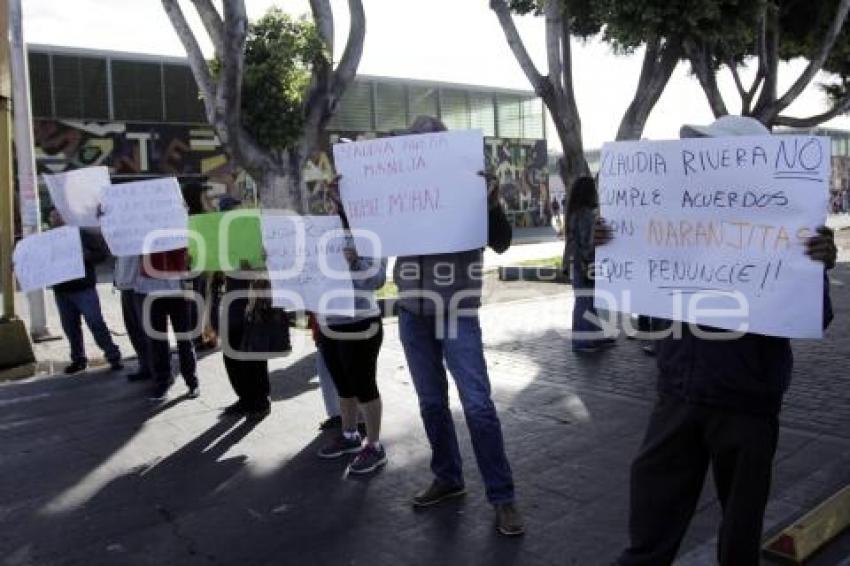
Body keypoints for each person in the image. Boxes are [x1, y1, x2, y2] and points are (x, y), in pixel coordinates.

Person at [612, 115, 837, 565]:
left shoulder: (785, 230)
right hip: (678, 391)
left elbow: (817, 316)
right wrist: (617, 244)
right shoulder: (677, 221)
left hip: (746, 400)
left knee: (740, 528)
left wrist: (815, 267)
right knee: (651, 511)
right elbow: (647, 311)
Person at [393, 116, 524, 536]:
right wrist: (351, 203)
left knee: (479, 407)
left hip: (455, 312)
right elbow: (367, 237)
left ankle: (502, 498)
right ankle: (448, 477)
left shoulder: (473, 184)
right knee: (431, 403)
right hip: (413, 312)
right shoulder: (399, 190)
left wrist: (488, 201)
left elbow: (502, 241)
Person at [315, 181, 388, 475]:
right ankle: (349, 436)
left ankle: (374, 445)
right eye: (331, 199)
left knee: (363, 386)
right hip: (329, 323)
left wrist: (355, 262)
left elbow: (378, 280)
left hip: (360, 323)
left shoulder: (371, 234)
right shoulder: (320, 233)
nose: (333, 204)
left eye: (338, 199)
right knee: (343, 387)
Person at [48, 208, 122, 374]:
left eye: (58, 215)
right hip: (62, 291)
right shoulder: (46, 240)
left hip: (83, 288)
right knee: (70, 328)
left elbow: (101, 254)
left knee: (96, 323)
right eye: (52, 216)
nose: (55, 219)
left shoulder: (81, 233)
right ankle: (78, 359)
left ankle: (113, 356)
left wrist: (85, 255)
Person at [137, 246, 200, 401]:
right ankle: (162, 382)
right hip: (150, 289)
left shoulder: (176, 227)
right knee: (157, 339)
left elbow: (189, 257)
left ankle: (192, 382)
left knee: (184, 338)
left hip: (177, 289)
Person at [563, 176, 615, 354]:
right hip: (583, 264)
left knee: (587, 301)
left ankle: (594, 337)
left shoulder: (574, 212)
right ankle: (582, 341)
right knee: (584, 302)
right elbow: (587, 244)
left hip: (576, 263)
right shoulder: (585, 215)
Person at [113, 254, 151, 381]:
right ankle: (145, 365)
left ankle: (159, 368)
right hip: (125, 284)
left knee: (148, 329)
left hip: (141, 284)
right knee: (133, 329)